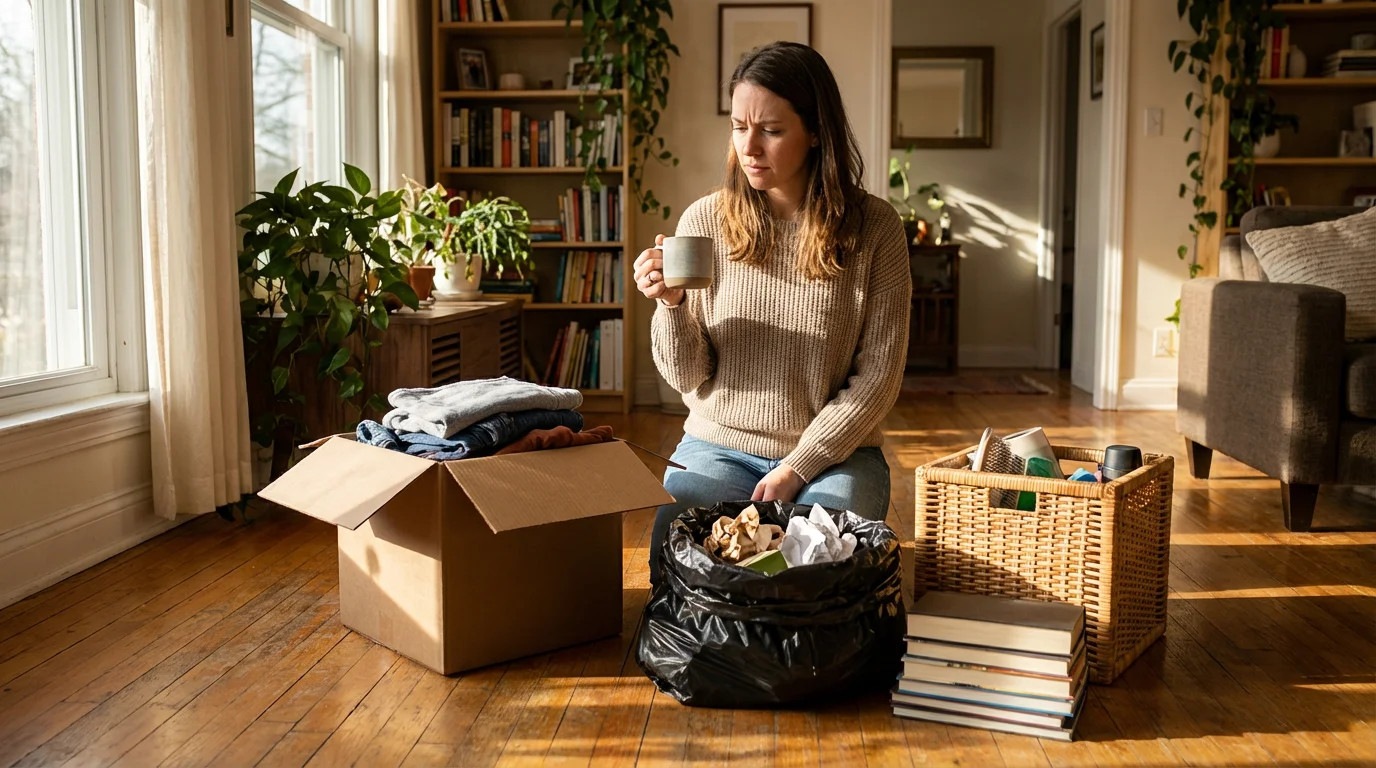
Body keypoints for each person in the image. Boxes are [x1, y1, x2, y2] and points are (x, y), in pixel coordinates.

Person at [636, 41, 912, 585]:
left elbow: (877, 381)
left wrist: (797, 468)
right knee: (675, 569)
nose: (749, 146)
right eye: (739, 126)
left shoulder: (876, 229)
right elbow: (688, 376)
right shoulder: (706, 221)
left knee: (821, 572)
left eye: (771, 129)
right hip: (719, 444)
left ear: (815, 132)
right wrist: (670, 306)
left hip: (834, 456)